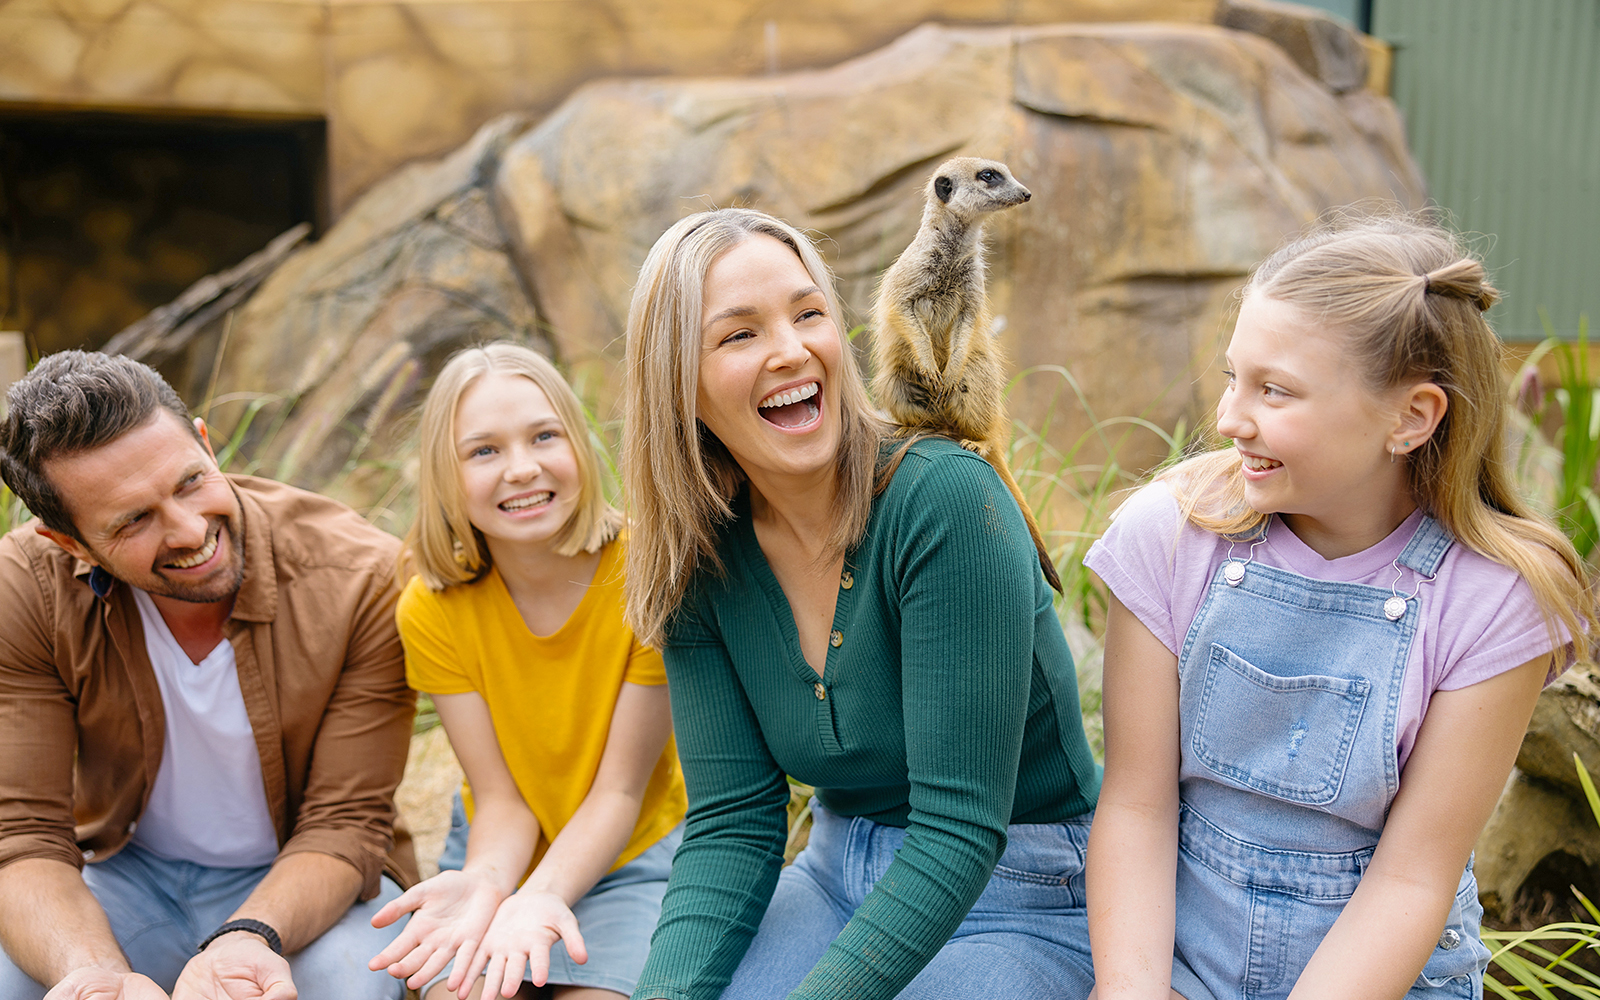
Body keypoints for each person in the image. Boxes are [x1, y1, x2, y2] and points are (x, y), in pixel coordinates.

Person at [1083, 211, 1596, 1000]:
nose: (1228, 419)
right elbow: (1136, 804)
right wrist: (1133, 991)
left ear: (1411, 417)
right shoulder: (1170, 534)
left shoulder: (1495, 601)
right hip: (1178, 956)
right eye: (1233, 377)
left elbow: (1412, 878)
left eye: (1274, 391)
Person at [618, 208, 1102, 1000]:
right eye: (739, 335)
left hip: (1025, 888)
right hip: (836, 872)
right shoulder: (698, 555)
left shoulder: (944, 500)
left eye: (809, 314)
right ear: (678, 386)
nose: (791, 350)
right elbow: (733, 824)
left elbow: (957, 830)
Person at [0, 350, 418, 1000]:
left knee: (348, 983)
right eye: (134, 520)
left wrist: (247, 937)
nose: (190, 530)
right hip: (123, 872)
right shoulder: (27, 587)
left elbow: (345, 824)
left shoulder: (362, 578)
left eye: (191, 481)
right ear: (70, 543)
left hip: (306, 878)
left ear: (205, 441)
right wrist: (92, 973)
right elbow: (24, 835)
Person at [368, 343, 685, 1000]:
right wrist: (488, 887)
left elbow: (619, 792)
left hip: (632, 852)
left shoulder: (646, 575)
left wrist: (538, 899)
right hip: (498, 850)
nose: (521, 468)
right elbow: (502, 799)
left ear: (579, 444)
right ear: (445, 474)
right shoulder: (432, 609)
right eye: (484, 451)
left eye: (544, 436)